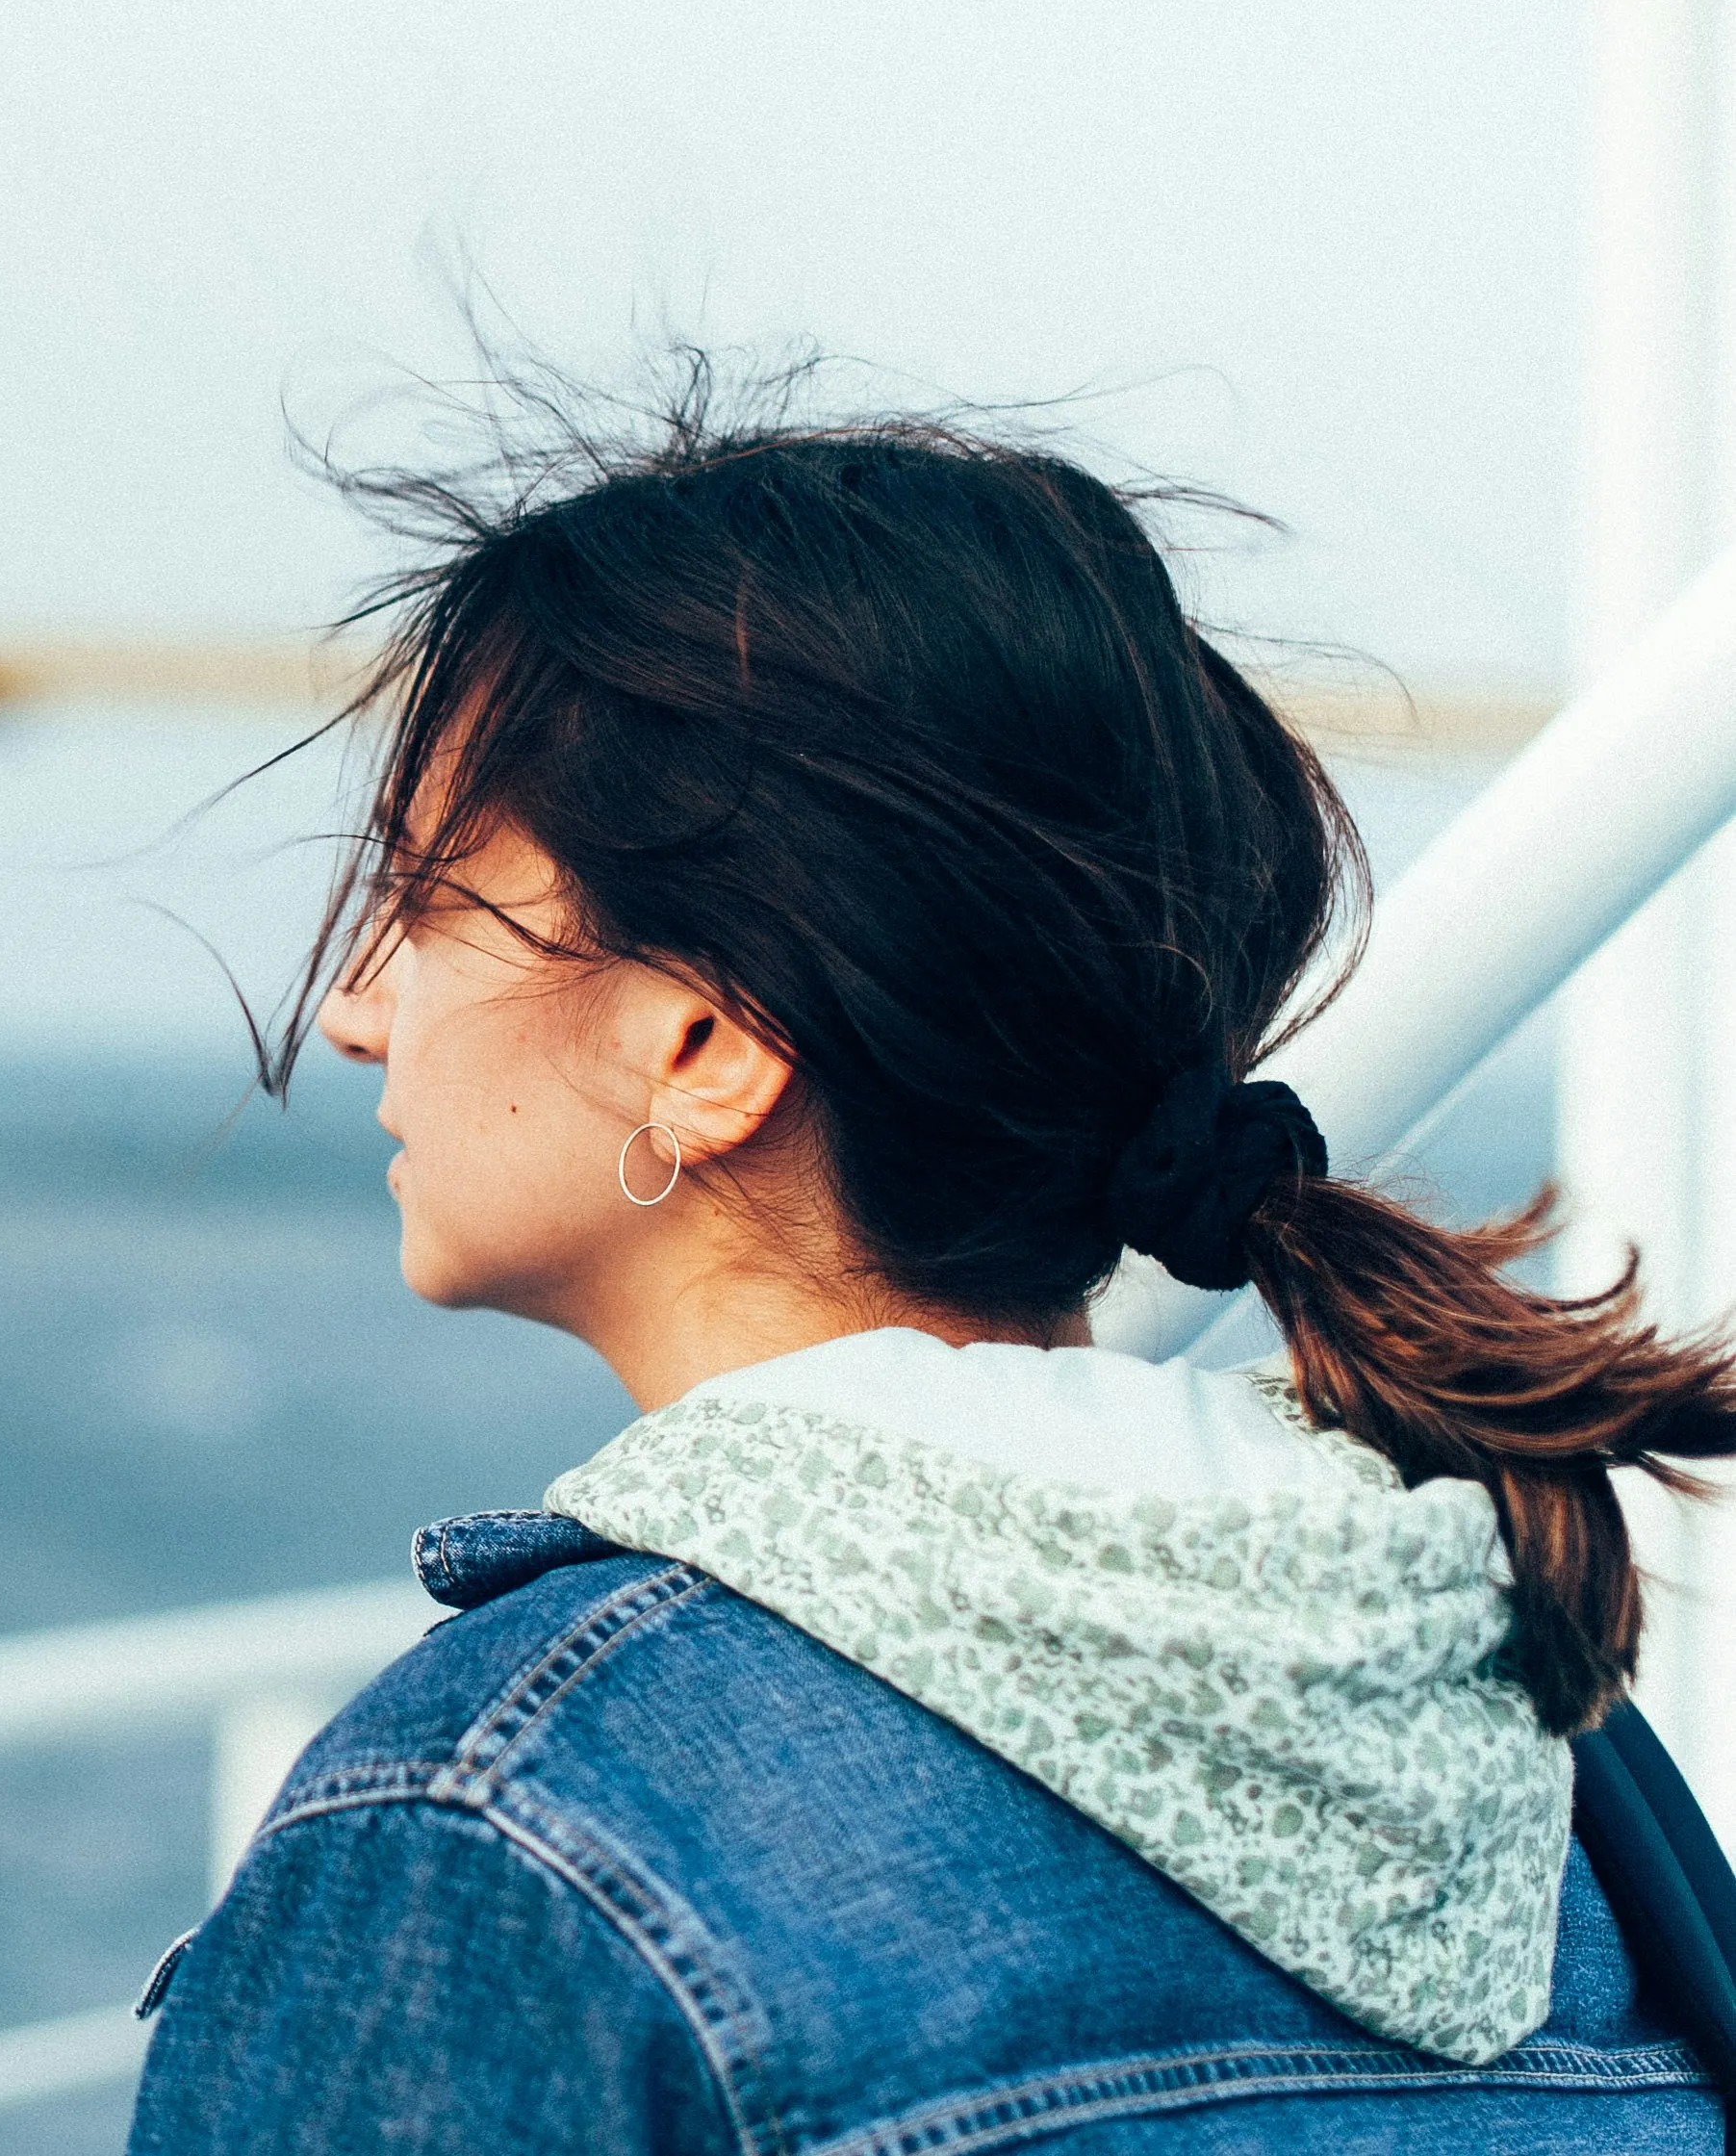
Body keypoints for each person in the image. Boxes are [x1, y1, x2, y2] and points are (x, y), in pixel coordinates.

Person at [125, 370, 1734, 2148]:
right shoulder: (1513, 1769)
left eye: (428, 900)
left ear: (706, 1049)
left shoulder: (500, 1839)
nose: (356, 1010)